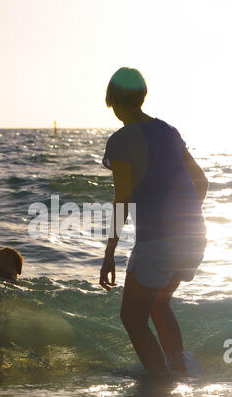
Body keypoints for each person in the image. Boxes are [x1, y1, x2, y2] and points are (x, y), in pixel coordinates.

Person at [99, 67, 208, 375]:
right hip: (194, 237)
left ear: (115, 100)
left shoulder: (121, 140)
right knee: (159, 304)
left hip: (158, 242)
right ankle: (179, 369)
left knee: (132, 318)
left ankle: (160, 387)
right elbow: (202, 182)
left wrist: (109, 255)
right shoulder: (169, 132)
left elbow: (120, 201)